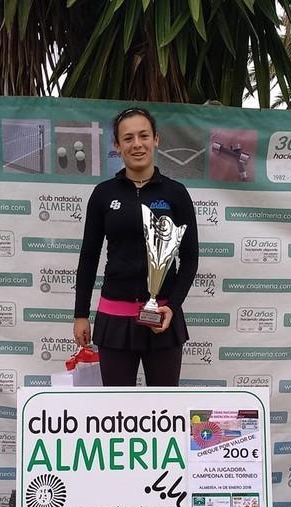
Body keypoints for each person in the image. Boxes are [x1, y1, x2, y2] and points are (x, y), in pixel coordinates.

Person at [73, 106, 199, 386]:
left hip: (162, 319)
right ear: (117, 146)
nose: (137, 144)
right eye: (128, 138)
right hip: (114, 319)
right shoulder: (104, 194)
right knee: (118, 411)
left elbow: (189, 258)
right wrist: (81, 313)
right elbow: (89, 257)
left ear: (156, 139)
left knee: (164, 411)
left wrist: (173, 306)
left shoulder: (175, 193)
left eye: (144, 135)